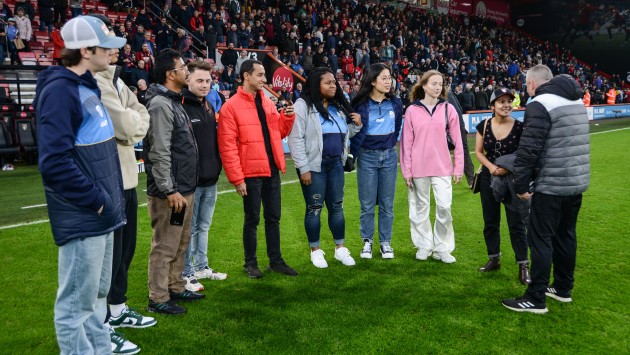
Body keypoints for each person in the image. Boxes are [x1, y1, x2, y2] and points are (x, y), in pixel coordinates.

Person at [34, 15, 126, 354]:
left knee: (97, 296)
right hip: (86, 214)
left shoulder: (84, 85)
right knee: (75, 305)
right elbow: (54, 162)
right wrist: (98, 201)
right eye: (106, 47)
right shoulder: (60, 91)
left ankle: (100, 350)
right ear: (85, 50)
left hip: (101, 214)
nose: (112, 53)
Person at [502, 65, 590, 314]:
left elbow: (529, 149)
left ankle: (536, 297)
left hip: (551, 183)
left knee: (540, 238)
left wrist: (520, 185)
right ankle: (563, 288)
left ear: (531, 84)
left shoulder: (539, 104)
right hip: (576, 181)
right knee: (566, 235)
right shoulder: (575, 101)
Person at [92, 13, 153, 354]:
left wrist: (133, 120)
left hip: (127, 176)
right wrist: (133, 121)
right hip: (111, 177)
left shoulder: (115, 80)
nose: (115, 51)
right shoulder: (97, 82)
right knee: (109, 257)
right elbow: (128, 127)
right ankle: (102, 323)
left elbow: (136, 115)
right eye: (109, 45)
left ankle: (116, 310)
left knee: (125, 250)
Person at [218, 59, 298, 278]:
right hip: (251, 173)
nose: (265, 79)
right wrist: (237, 178)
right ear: (246, 76)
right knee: (252, 219)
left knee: (274, 218)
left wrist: (288, 118)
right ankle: (250, 263)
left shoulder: (267, 102)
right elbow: (227, 146)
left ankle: (276, 260)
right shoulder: (230, 107)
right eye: (261, 75)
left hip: (271, 168)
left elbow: (278, 133)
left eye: (264, 75)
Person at [144, 48, 205, 315]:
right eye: (182, 68)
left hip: (183, 188)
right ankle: (157, 297)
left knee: (180, 242)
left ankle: (175, 286)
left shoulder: (173, 101)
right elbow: (159, 151)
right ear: (171, 74)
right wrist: (169, 189)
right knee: (165, 244)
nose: (186, 72)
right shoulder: (160, 104)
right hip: (170, 192)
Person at [287, 67, 362, 269]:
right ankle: (316, 250)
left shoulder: (337, 107)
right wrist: (303, 168)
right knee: (314, 208)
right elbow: (296, 139)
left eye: (334, 82)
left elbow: (344, 134)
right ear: (315, 84)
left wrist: (356, 126)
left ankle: (340, 249)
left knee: (337, 206)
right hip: (314, 166)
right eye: (327, 82)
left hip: (336, 164)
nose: (333, 85)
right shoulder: (302, 106)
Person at [400, 69, 463, 263]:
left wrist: (458, 167)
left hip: (442, 167)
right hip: (418, 168)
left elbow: (458, 141)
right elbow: (406, 144)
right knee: (420, 209)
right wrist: (407, 171)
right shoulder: (412, 110)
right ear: (424, 85)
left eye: (440, 84)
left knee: (444, 207)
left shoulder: (448, 109)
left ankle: (442, 248)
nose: (438, 87)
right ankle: (424, 245)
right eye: (434, 83)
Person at [474, 88, 530, 284]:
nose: (506, 105)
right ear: (492, 106)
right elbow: (479, 152)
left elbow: (524, 154)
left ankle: (523, 265)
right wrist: (491, 168)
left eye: (509, 101)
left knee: (516, 224)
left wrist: (506, 169)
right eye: (501, 101)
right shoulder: (484, 125)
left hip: (513, 180)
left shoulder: (520, 127)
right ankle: (494, 259)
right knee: (490, 221)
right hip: (489, 178)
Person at [180, 60, 227, 292]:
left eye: (208, 81)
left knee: (203, 226)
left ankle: (201, 267)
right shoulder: (179, 106)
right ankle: (185, 273)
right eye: (199, 80)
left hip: (211, 178)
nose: (205, 85)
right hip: (190, 182)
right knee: (186, 229)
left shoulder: (208, 105)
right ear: (187, 79)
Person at [350, 63, 403, 259]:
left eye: (390, 77)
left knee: (388, 204)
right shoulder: (360, 104)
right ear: (372, 81)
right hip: (367, 157)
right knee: (367, 204)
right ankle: (367, 242)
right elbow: (355, 132)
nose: (388, 81)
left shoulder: (396, 103)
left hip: (389, 157)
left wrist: (389, 144)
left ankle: (385, 243)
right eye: (384, 78)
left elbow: (396, 129)